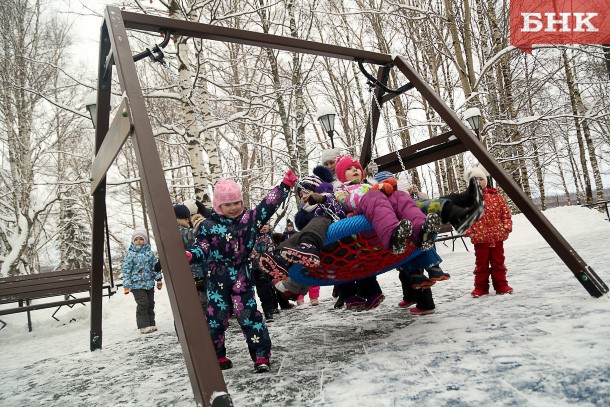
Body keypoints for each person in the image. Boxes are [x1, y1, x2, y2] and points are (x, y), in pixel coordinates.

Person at [187, 170, 297, 373]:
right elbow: (202, 247)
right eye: (227, 204)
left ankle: (261, 356)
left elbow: (268, 206)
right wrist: (191, 255)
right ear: (218, 206)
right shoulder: (208, 226)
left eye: (236, 202)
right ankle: (217, 356)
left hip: (241, 275)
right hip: (217, 276)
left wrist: (284, 186)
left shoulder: (250, 220)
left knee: (248, 315)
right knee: (215, 319)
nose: (233, 207)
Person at [333, 155, 442, 254]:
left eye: (356, 167)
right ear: (342, 176)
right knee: (373, 196)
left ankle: (421, 232)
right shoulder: (341, 189)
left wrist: (388, 188)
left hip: (379, 220)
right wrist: (374, 191)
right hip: (363, 232)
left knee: (398, 196)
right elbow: (347, 203)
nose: (354, 169)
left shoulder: (369, 185)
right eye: (349, 168)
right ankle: (393, 238)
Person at [463, 165, 514, 297]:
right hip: (480, 239)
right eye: (475, 179)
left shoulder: (496, 196)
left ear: (486, 180)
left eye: (481, 179)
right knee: (481, 265)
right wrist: (470, 231)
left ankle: (501, 285)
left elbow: (505, 213)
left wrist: (506, 228)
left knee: (499, 263)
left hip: (497, 237)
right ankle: (481, 287)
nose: (479, 182)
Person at [121, 228, 162, 334]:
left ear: (145, 241)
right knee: (143, 303)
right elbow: (126, 270)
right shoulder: (130, 254)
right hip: (136, 284)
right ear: (133, 241)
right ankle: (143, 326)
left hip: (149, 283)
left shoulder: (150, 254)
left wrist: (158, 279)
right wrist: (126, 285)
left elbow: (154, 267)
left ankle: (151, 323)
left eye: (141, 239)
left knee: (150, 303)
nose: (138, 241)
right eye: (136, 239)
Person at [174, 204, 207, 311]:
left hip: (183, 273)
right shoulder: (187, 232)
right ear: (187, 218)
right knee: (202, 299)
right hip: (197, 272)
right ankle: (205, 323)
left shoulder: (172, 233)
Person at [250, 224, 280, 321]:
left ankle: (268, 313)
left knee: (265, 291)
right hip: (251, 267)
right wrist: (259, 258)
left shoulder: (268, 238)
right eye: (261, 225)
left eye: (265, 225)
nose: (263, 227)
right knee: (249, 294)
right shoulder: (250, 236)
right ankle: (251, 315)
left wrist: (267, 262)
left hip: (264, 268)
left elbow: (271, 250)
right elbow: (250, 251)